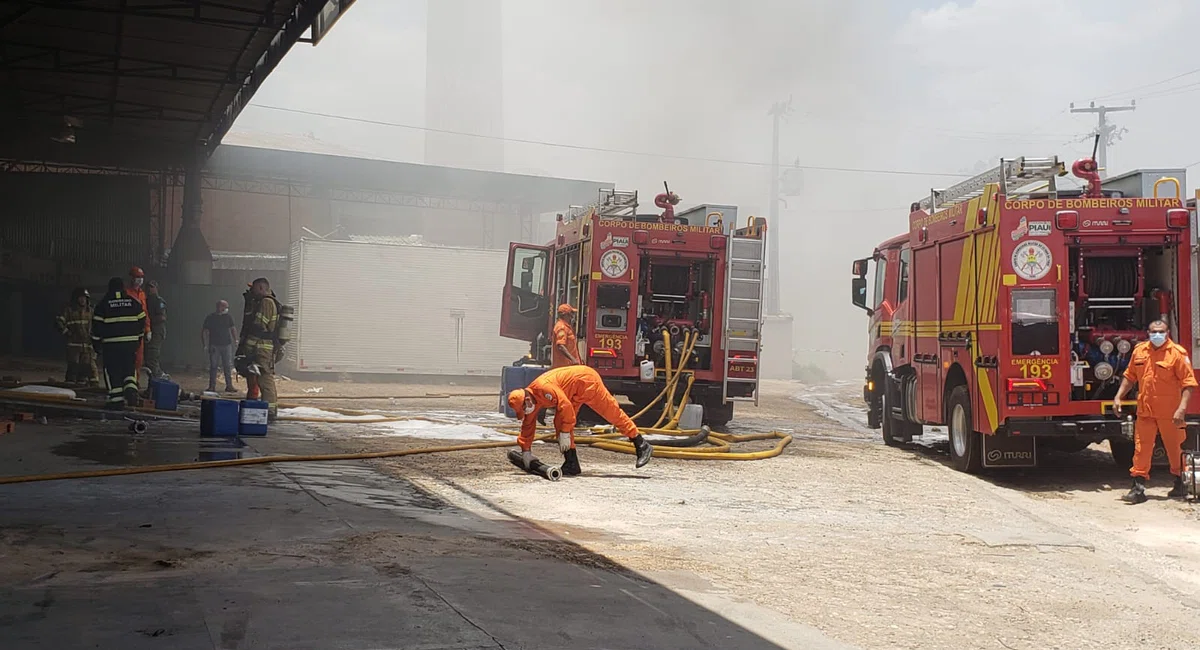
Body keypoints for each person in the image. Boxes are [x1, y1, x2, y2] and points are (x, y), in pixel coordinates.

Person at [506, 365, 653, 475]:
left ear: (526, 400)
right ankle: (571, 463)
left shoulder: (544, 388)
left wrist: (565, 432)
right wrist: (526, 451)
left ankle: (641, 443)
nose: (525, 413)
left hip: (586, 381)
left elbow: (565, 406)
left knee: (612, 413)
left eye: (523, 409)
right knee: (560, 422)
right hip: (573, 391)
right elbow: (528, 425)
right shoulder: (531, 400)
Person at [1113, 319, 1198, 503]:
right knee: (1141, 448)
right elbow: (1130, 376)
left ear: (1167, 333)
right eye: (1153, 332)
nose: (1157, 335)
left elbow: (1188, 384)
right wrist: (1119, 396)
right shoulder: (1140, 351)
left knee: (1175, 448)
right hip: (1146, 411)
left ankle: (1180, 483)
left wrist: (1182, 409)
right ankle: (1138, 488)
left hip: (1171, 413)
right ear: (1148, 333)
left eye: (1161, 332)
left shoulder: (1177, 354)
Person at [92, 277, 146, 409]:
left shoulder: (103, 304)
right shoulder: (133, 302)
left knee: (113, 371)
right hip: (130, 344)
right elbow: (142, 321)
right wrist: (138, 339)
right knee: (129, 368)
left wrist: (96, 345)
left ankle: (116, 400)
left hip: (111, 346)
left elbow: (96, 327)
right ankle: (131, 389)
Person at [237, 278, 280, 420]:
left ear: (261, 288)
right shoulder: (263, 302)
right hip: (261, 347)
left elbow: (258, 327)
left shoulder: (266, 302)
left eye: (254, 288)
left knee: (265, 379)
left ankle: (270, 410)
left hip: (262, 348)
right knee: (260, 378)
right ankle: (267, 408)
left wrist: (247, 348)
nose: (252, 291)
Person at [56, 287, 98, 386]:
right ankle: (70, 385)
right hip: (73, 346)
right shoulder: (69, 311)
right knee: (73, 367)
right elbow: (59, 322)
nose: (83, 300)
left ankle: (81, 386)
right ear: (76, 299)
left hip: (87, 346)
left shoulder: (91, 311)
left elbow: (97, 325)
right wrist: (67, 333)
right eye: (80, 297)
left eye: (84, 298)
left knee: (84, 369)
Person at [203, 300, 238, 393]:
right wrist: (205, 344)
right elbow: (205, 331)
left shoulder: (228, 317)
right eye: (225, 307)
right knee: (213, 366)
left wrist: (236, 340)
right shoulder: (211, 318)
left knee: (227, 366)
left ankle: (229, 386)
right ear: (219, 307)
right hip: (214, 345)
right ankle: (212, 387)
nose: (226, 309)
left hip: (227, 345)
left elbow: (233, 328)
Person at [126, 266, 151, 383]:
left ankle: (135, 382)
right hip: (129, 330)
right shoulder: (126, 293)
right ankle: (128, 381)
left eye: (141, 277)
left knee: (139, 359)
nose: (140, 279)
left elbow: (145, 312)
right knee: (128, 358)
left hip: (139, 331)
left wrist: (148, 329)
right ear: (131, 278)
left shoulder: (142, 294)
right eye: (137, 277)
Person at [144, 280, 167, 379]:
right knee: (148, 357)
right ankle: (155, 378)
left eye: (152, 287)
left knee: (152, 355)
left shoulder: (158, 301)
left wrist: (149, 320)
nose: (150, 289)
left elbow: (162, 317)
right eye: (148, 287)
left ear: (156, 288)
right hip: (148, 331)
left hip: (156, 331)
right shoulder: (145, 300)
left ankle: (159, 377)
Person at [551, 303, 582, 368]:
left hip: (568, 366)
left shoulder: (566, 327)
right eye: (571, 314)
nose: (572, 317)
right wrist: (573, 359)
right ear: (565, 315)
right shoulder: (561, 327)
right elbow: (561, 346)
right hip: (564, 367)